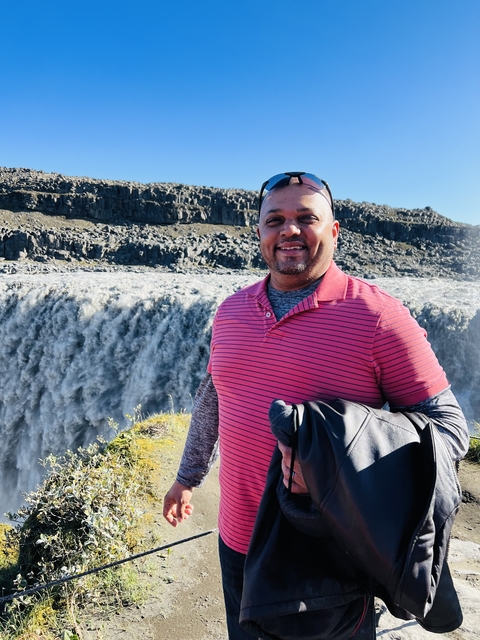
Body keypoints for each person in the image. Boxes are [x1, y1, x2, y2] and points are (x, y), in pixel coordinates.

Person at [163, 172, 469, 639]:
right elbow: (214, 396)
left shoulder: (379, 317)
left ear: (334, 230)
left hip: (328, 559)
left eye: (307, 218)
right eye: (276, 220)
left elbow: (449, 431)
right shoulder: (230, 311)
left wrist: (333, 462)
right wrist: (187, 479)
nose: (289, 230)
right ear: (259, 232)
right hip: (237, 544)